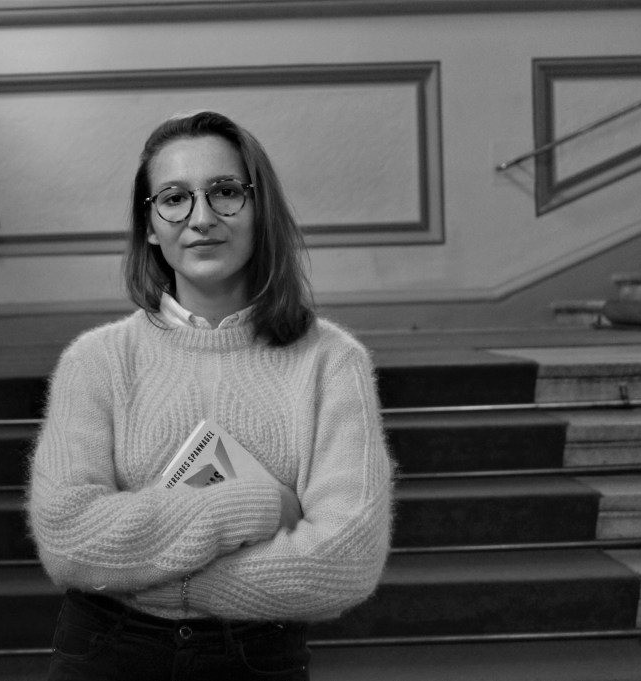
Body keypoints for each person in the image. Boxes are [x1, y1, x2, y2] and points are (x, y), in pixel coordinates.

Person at [27, 110, 392, 680]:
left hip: (254, 657)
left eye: (225, 192)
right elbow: (68, 537)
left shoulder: (331, 362)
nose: (201, 218)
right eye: (174, 198)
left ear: (259, 208)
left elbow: (344, 562)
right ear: (150, 226)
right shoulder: (95, 361)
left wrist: (153, 576)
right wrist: (257, 508)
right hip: (106, 652)